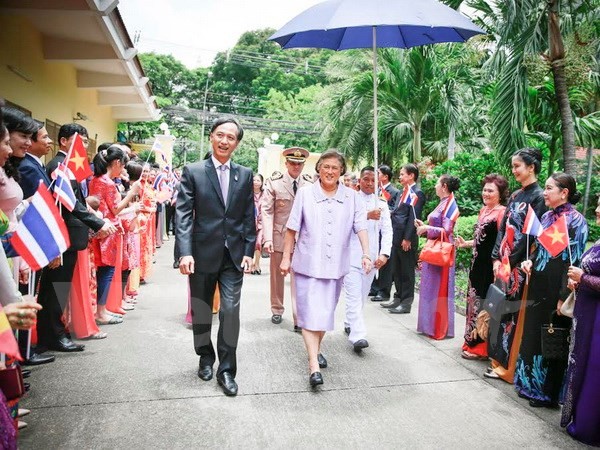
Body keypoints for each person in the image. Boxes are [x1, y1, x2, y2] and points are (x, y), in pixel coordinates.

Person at [176, 117, 256, 397]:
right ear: (211, 137)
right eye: (220, 135)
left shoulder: (245, 174)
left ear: (237, 143)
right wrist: (184, 252)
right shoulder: (194, 171)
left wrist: (249, 251)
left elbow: (249, 215)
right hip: (200, 254)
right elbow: (183, 215)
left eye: (231, 138)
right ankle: (205, 356)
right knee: (200, 310)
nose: (224, 141)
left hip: (233, 255)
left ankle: (226, 370)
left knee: (230, 312)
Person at [280, 150, 371, 387]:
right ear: (318, 168)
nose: (330, 171)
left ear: (341, 171)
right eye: (326, 167)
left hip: (335, 267)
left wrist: (366, 253)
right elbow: (292, 228)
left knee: (324, 315)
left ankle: (315, 351)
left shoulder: (352, 197)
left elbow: (360, 226)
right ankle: (313, 365)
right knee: (310, 315)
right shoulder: (305, 194)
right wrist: (285, 258)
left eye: (335, 168)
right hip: (307, 264)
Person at [40, 124, 115, 352]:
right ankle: (52, 335)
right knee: (55, 288)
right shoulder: (58, 166)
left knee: (59, 288)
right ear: (64, 141)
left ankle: (54, 332)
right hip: (62, 236)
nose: (83, 146)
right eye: (79, 141)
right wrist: (98, 222)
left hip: (71, 235)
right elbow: (70, 204)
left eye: (84, 141)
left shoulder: (69, 166)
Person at [516, 173, 588, 407]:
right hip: (537, 286)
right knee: (533, 337)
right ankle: (527, 385)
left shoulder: (577, 222)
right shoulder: (546, 216)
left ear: (564, 192)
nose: (544, 193)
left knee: (552, 340)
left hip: (556, 291)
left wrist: (563, 296)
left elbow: (574, 261)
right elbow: (540, 249)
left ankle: (547, 394)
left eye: (549, 188)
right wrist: (529, 261)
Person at [486, 147, 546, 382]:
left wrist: (511, 261)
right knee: (499, 310)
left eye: (517, 166)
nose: (514, 171)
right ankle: (497, 359)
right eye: (512, 166)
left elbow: (531, 236)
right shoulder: (515, 196)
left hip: (519, 266)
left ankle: (508, 367)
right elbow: (503, 228)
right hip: (503, 262)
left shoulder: (538, 197)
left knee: (512, 313)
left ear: (531, 167)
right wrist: (496, 257)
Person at [455, 174, 508, 359]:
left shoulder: (502, 212)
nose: (486, 193)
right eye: (484, 189)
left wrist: (499, 265)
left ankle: (481, 348)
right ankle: (471, 341)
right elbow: (481, 241)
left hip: (488, 267)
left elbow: (502, 243)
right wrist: (466, 243)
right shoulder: (483, 210)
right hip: (476, 266)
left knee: (485, 305)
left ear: (500, 194)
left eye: (490, 190)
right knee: (473, 304)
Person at [562, 195, 600, 446]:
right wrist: (578, 279)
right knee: (583, 365)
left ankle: (590, 427)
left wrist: (583, 278)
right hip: (587, 314)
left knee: (595, 370)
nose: (597, 210)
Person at [261, 147, 312, 330]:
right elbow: (267, 211)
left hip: (303, 240)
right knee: (277, 276)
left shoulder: (310, 184)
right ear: (286, 163)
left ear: (303, 165)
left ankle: (299, 318)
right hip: (279, 236)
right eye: (292, 163)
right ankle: (276, 309)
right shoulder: (274, 183)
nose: (296, 166)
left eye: (299, 163)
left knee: (300, 279)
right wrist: (267, 238)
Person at [342, 166, 392, 352]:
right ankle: (358, 336)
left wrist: (384, 254)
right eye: (366, 179)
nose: (370, 183)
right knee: (354, 295)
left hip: (372, 259)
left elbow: (387, 231)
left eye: (373, 180)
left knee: (361, 296)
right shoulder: (350, 200)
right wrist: (367, 216)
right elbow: (344, 223)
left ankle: (349, 322)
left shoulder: (382, 204)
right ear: (359, 181)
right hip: (352, 256)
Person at [89, 146, 139, 325]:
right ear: (117, 163)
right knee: (106, 272)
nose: (124, 169)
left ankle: (100, 309)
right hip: (107, 233)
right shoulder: (108, 183)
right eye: (123, 165)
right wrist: (132, 193)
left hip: (98, 231)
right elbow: (116, 209)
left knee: (100, 272)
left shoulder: (96, 180)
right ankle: (101, 312)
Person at [415, 174, 460, 340]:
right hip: (434, 248)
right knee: (430, 288)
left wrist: (427, 227)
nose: (435, 186)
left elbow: (447, 231)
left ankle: (438, 327)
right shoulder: (443, 203)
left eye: (437, 183)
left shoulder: (450, 204)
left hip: (442, 250)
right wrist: (424, 226)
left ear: (444, 186)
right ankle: (429, 325)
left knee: (439, 288)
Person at [383, 163, 426, 314]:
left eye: (402, 174)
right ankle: (397, 298)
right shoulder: (403, 191)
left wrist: (408, 238)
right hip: (396, 236)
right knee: (396, 269)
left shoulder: (417, 193)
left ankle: (406, 302)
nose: (400, 177)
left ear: (411, 175)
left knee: (406, 271)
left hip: (406, 239)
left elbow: (413, 217)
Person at [369, 164, 400, 302]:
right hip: (374, 230)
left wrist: (384, 211)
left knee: (385, 261)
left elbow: (395, 208)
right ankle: (374, 287)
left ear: (385, 176)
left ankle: (384, 290)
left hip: (386, 229)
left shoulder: (394, 191)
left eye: (378, 173)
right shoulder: (374, 190)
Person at [251, 173, 264, 275]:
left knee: (258, 243)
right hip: (249, 222)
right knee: (250, 244)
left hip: (261, 223)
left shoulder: (266, 194)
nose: (256, 182)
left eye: (258, 180)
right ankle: (250, 264)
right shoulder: (247, 194)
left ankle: (257, 264)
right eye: (254, 180)